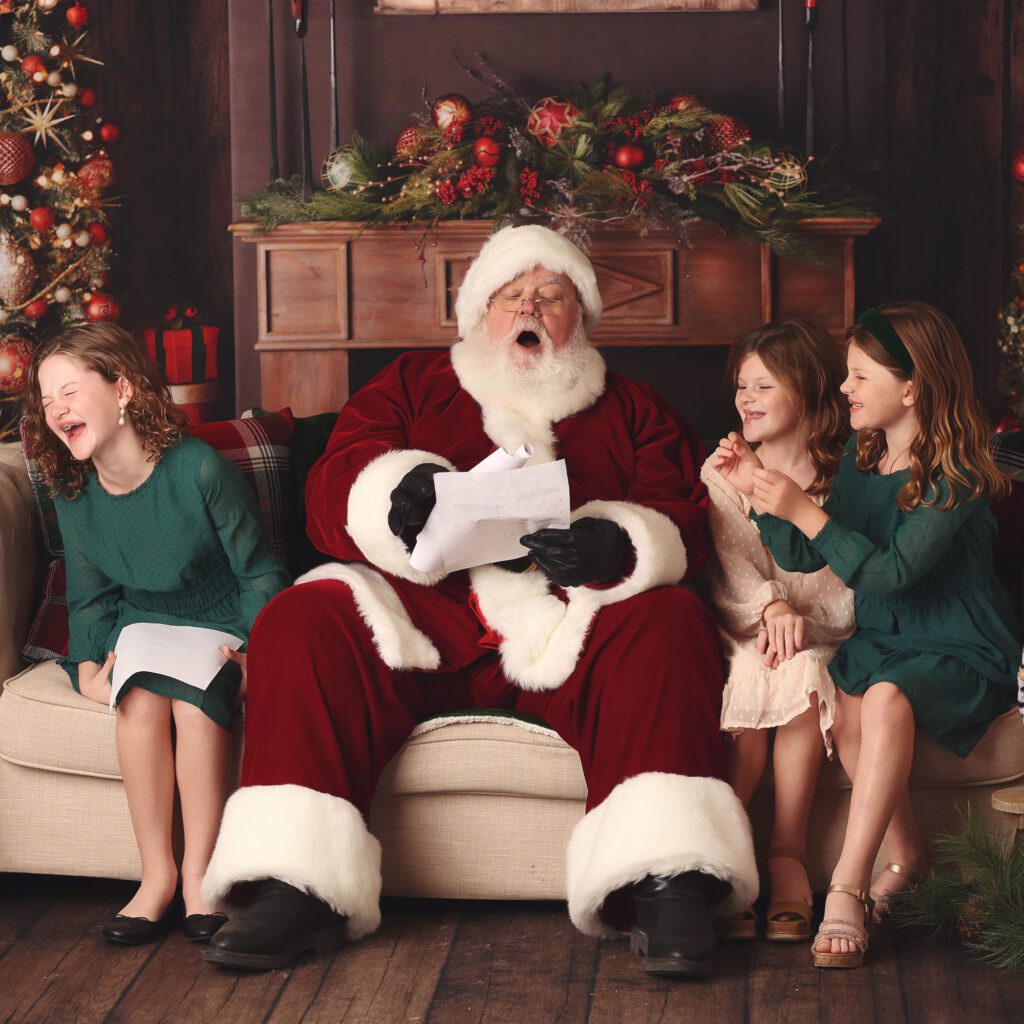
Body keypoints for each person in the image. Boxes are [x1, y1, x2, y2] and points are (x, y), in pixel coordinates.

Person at [200, 224, 758, 976]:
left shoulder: (634, 407)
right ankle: (296, 887)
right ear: (477, 314)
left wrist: (616, 545)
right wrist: (397, 493)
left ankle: (665, 882)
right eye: (511, 296)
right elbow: (333, 486)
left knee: (668, 620)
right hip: (423, 612)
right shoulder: (411, 383)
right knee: (300, 618)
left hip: (572, 622)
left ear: (580, 319)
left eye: (551, 296)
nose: (530, 309)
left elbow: (682, 513)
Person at [715, 302, 1019, 968]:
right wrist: (763, 497)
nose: (843, 389)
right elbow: (806, 556)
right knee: (849, 712)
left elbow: (891, 573)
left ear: (910, 386)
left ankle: (846, 891)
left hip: (954, 638)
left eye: (858, 376)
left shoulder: (956, 473)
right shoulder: (864, 452)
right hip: (886, 636)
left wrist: (802, 508)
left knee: (881, 699)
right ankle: (911, 858)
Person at [22, 323, 289, 946]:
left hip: (220, 617)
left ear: (123, 388)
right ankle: (157, 878)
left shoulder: (198, 467)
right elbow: (89, 593)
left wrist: (255, 654)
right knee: (138, 700)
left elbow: (259, 571)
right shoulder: (74, 487)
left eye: (69, 391)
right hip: (143, 618)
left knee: (197, 708)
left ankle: (203, 879)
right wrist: (86, 665)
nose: (56, 409)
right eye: (46, 398)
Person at [703, 321, 854, 942]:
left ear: (810, 386)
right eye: (742, 386)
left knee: (804, 664)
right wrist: (770, 610)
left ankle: (786, 854)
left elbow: (851, 570)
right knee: (763, 664)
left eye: (764, 384)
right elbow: (733, 565)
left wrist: (799, 621)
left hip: (828, 626)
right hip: (747, 627)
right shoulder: (726, 471)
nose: (747, 398)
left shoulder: (850, 473)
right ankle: (731, 854)